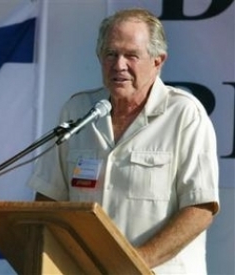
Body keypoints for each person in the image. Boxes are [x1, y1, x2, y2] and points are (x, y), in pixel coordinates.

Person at [27, 8, 219, 274]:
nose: (119, 65)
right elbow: (49, 198)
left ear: (157, 61)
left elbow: (199, 209)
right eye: (111, 54)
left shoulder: (184, 115)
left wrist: (131, 263)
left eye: (131, 55)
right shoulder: (77, 111)